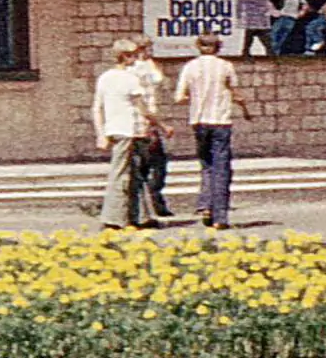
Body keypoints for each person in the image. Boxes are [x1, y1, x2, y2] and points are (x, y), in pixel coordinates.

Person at [174, 34, 243, 229]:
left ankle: (206, 205)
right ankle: (220, 216)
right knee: (221, 167)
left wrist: (196, 97)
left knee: (206, 165)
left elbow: (179, 97)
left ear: (198, 46)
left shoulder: (190, 67)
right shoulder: (226, 66)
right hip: (221, 120)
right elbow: (234, 91)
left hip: (199, 120)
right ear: (218, 47)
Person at [93, 37, 162, 229]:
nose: (136, 58)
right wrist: (161, 125)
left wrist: (101, 132)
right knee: (120, 173)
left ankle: (141, 215)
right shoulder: (130, 79)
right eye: (132, 55)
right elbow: (143, 108)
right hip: (129, 130)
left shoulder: (105, 77)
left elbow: (97, 107)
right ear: (124, 56)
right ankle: (113, 218)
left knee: (135, 173)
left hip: (115, 129)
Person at [130, 41, 174, 221]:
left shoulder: (145, 67)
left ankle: (151, 204)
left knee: (150, 165)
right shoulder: (139, 69)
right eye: (147, 49)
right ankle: (153, 203)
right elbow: (159, 81)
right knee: (155, 164)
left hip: (146, 120)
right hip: (144, 122)